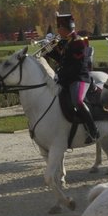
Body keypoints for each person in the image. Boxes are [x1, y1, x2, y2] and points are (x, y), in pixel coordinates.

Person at [40, 13, 98, 144]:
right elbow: (63, 60)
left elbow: (76, 66)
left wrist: (61, 76)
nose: (58, 31)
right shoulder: (68, 42)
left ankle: (93, 130)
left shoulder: (78, 42)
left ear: (65, 28)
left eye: (59, 27)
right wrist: (49, 50)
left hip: (79, 78)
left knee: (77, 100)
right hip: (67, 78)